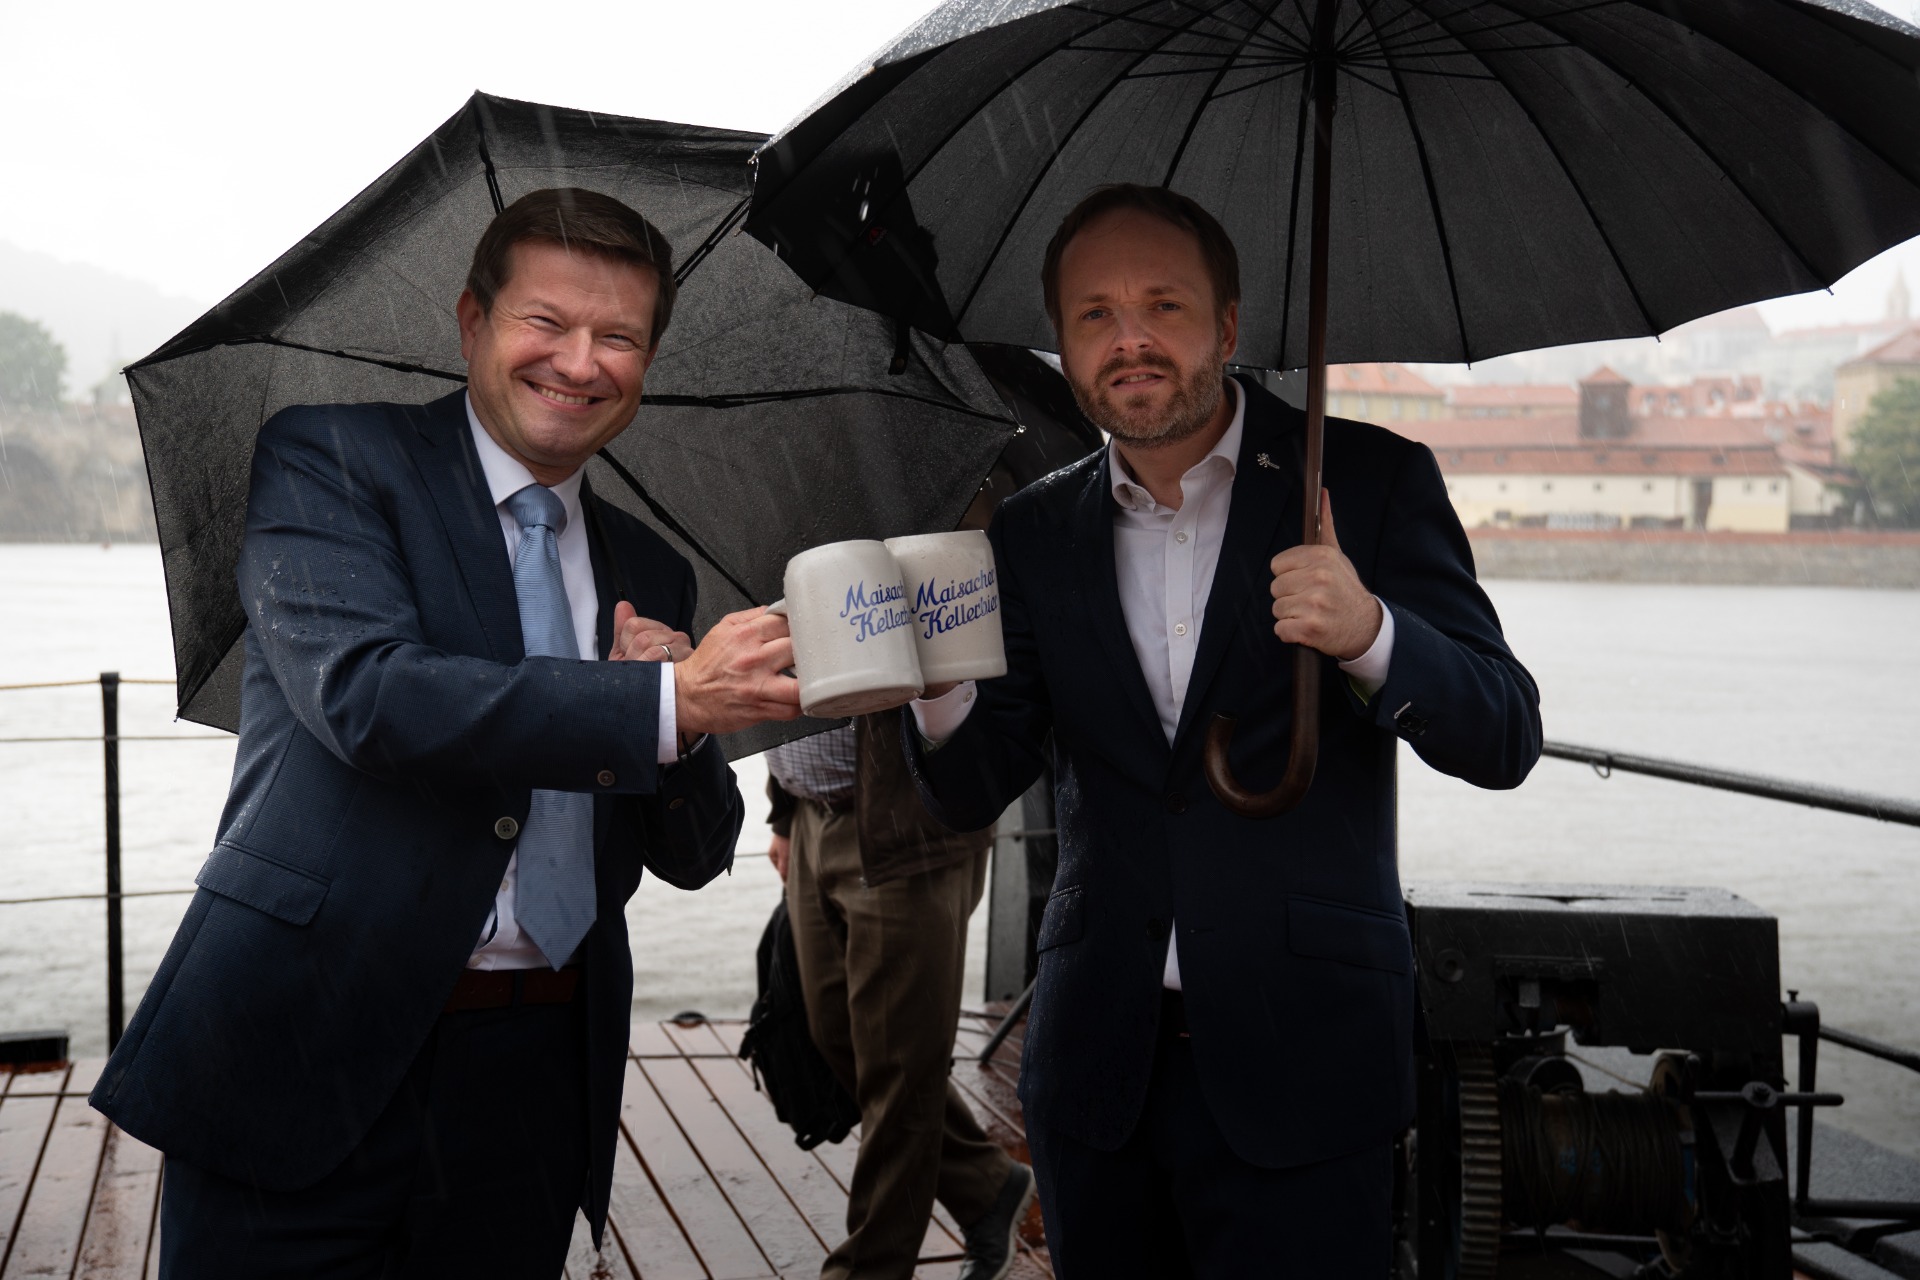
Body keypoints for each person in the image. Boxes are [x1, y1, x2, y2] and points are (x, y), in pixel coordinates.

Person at [90, 188, 802, 1277]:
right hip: (305, 1034)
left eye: (618, 337)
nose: (579, 362)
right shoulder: (328, 461)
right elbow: (369, 696)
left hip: (535, 1073)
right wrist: (663, 705)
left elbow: (696, 853)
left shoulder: (650, 568)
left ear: (647, 363)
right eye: (546, 321)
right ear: (472, 322)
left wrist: (684, 722)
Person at [902, 184, 1543, 1275]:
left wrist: (1370, 632)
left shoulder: (1372, 481)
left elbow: (1504, 732)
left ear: (1230, 325)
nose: (1130, 339)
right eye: (1095, 314)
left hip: (1310, 1062)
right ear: (1061, 342)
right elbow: (971, 787)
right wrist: (930, 687)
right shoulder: (1033, 528)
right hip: (1099, 1070)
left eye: (1164, 304)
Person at [764, 713, 1034, 1280]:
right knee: (837, 1033)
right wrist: (784, 814)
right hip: (811, 815)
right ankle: (986, 1187)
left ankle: (870, 1269)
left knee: (898, 1067)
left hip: (909, 826)